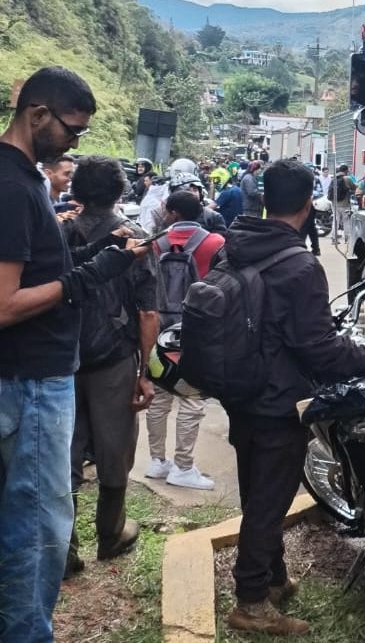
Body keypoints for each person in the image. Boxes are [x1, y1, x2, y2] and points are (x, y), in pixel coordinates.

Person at [219, 159, 365, 634]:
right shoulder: (299, 264)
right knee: (269, 501)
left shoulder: (235, 247)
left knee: (257, 488)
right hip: (277, 399)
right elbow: (321, 351)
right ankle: (251, 603)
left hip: (240, 390)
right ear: (305, 203)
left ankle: (273, 578)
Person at [0, 67, 144, 643]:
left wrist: (91, 263)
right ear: (37, 115)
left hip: (37, 375)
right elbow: (5, 303)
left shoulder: (27, 180)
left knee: (33, 520)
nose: (75, 145)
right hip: (30, 382)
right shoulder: (12, 187)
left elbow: (34, 269)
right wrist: (85, 280)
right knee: (39, 526)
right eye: (72, 131)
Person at [60, 156, 159, 578]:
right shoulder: (135, 237)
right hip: (113, 361)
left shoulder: (60, 231)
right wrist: (144, 372)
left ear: (78, 190)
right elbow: (147, 313)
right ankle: (111, 533)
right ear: (121, 191)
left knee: (62, 454)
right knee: (115, 446)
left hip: (61, 359)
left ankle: (64, 549)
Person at [144, 191, 223, 491]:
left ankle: (156, 461)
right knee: (191, 398)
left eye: (166, 209)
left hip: (157, 328)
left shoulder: (154, 243)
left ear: (174, 213)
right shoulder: (215, 243)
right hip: (194, 330)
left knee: (160, 394)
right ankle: (183, 466)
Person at [327, 164, 353, 244]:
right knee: (346, 221)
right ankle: (347, 239)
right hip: (344, 204)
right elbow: (354, 187)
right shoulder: (347, 178)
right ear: (346, 171)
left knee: (336, 220)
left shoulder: (334, 178)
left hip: (334, 203)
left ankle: (334, 239)